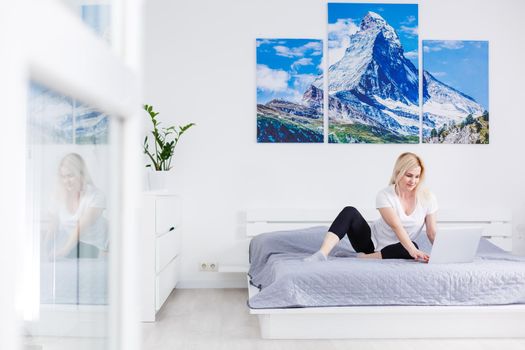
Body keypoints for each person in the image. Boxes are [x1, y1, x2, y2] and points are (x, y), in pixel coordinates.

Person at [305, 152, 438, 262]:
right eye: (409, 175)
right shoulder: (384, 195)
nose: (413, 181)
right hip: (370, 243)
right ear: (398, 173)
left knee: (411, 246)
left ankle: (364, 258)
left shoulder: (428, 198)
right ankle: (322, 254)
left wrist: (441, 254)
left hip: (398, 248)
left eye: (417, 177)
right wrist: (413, 251)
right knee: (350, 211)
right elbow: (396, 226)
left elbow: (431, 232)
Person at [45, 153, 108, 259]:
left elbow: (80, 227)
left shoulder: (96, 195)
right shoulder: (58, 197)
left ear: (81, 174)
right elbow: (52, 226)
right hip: (79, 246)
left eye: (70, 176)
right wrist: (43, 250)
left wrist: (63, 251)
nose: (66, 181)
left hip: (103, 248)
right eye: (63, 177)